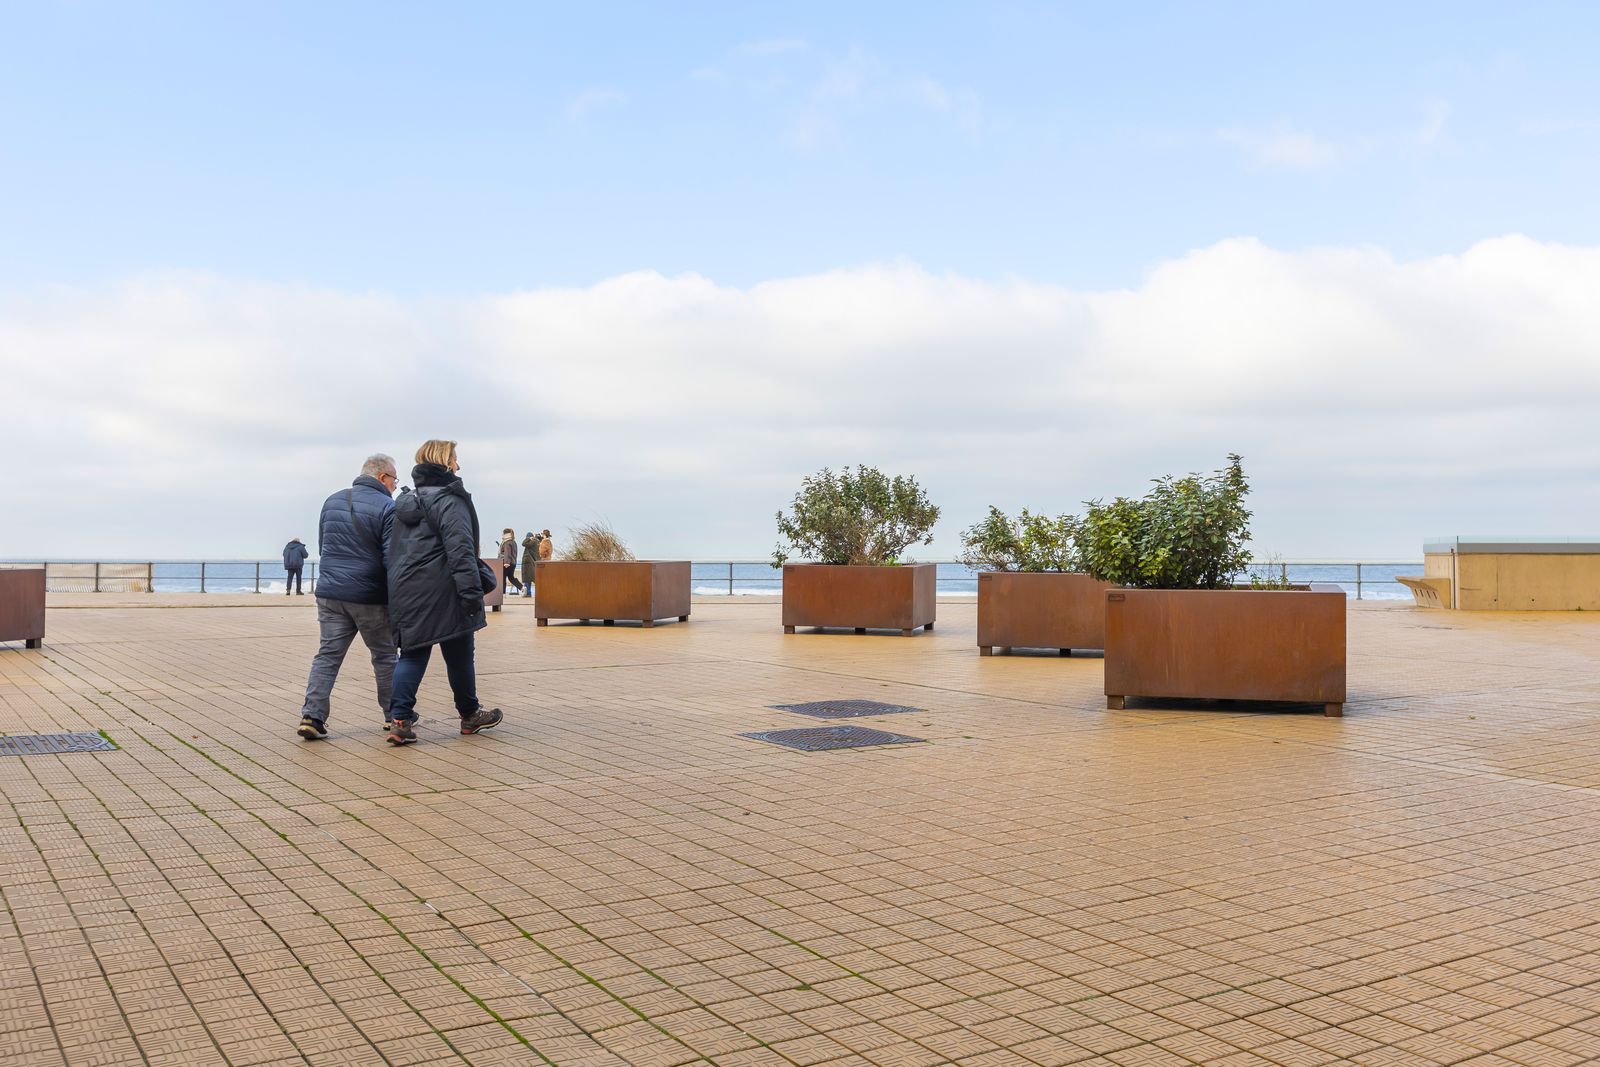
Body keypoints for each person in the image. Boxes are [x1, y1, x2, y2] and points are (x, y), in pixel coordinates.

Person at [385, 439, 504, 745]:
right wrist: (470, 595)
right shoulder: (450, 499)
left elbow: (393, 550)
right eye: (455, 459)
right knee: (461, 655)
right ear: (444, 461)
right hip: (446, 590)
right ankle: (469, 715)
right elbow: (461, 550)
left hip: (408, 590)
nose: (458, 465)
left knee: (412, 654)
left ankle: (400, 720)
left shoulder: (406, 503)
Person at [296, 454, 400, 740]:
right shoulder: (388, 507)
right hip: (370, 595)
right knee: (385, 656)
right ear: (382, 478)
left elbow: (323, 545)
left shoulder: (332, 501)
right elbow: (391, 557)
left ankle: (312, 716)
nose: (394, 486)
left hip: (330, 591)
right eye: (394, 480)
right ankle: (394, 717)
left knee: (327, 655)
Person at [498, 528, 523, 595]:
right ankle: (522, 587)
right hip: (513, 563)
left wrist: (506, 563)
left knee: (503, 578)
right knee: (511, 577)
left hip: (507, 563)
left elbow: (507, 553)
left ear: (505, 534)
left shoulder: (507, 542)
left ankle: (503, 593)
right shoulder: (513, 542)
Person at [519, 529, 540, 596]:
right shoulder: (536, 542)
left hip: (528, 562)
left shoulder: (532, 542)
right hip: (531, 562)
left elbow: (523, 543)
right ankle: (528, 592)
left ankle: (528, 593)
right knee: (529, 578)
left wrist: (528, 538)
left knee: (527, 578)